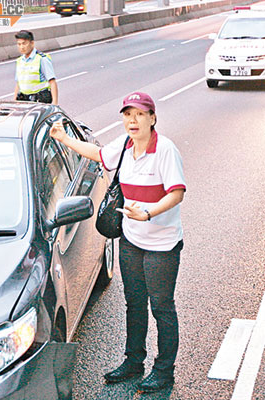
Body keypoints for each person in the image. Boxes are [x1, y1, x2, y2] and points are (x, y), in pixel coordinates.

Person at [49, 92, 186, 394]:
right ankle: (133, 362)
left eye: (139, 114)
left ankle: (164, 371)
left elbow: (176, 192)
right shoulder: (123, 147)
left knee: (162, 307)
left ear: (152, 118)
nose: (132, 121)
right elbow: (95, 153)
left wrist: (148, 212)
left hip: (161, 246)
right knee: (135, 303)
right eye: (127, 115)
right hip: (131, 241)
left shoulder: (165, 150)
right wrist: (62, 137)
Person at [14, 30, 58, 105]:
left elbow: (52, 82)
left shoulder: (42, 59)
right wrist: (15, 102)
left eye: (24, 43)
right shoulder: (19, 61)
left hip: (40, 101)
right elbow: (18, 83)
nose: (21, 47)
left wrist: (55, 104)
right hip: (25, 101)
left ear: (32, 43)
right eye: (19, 44)